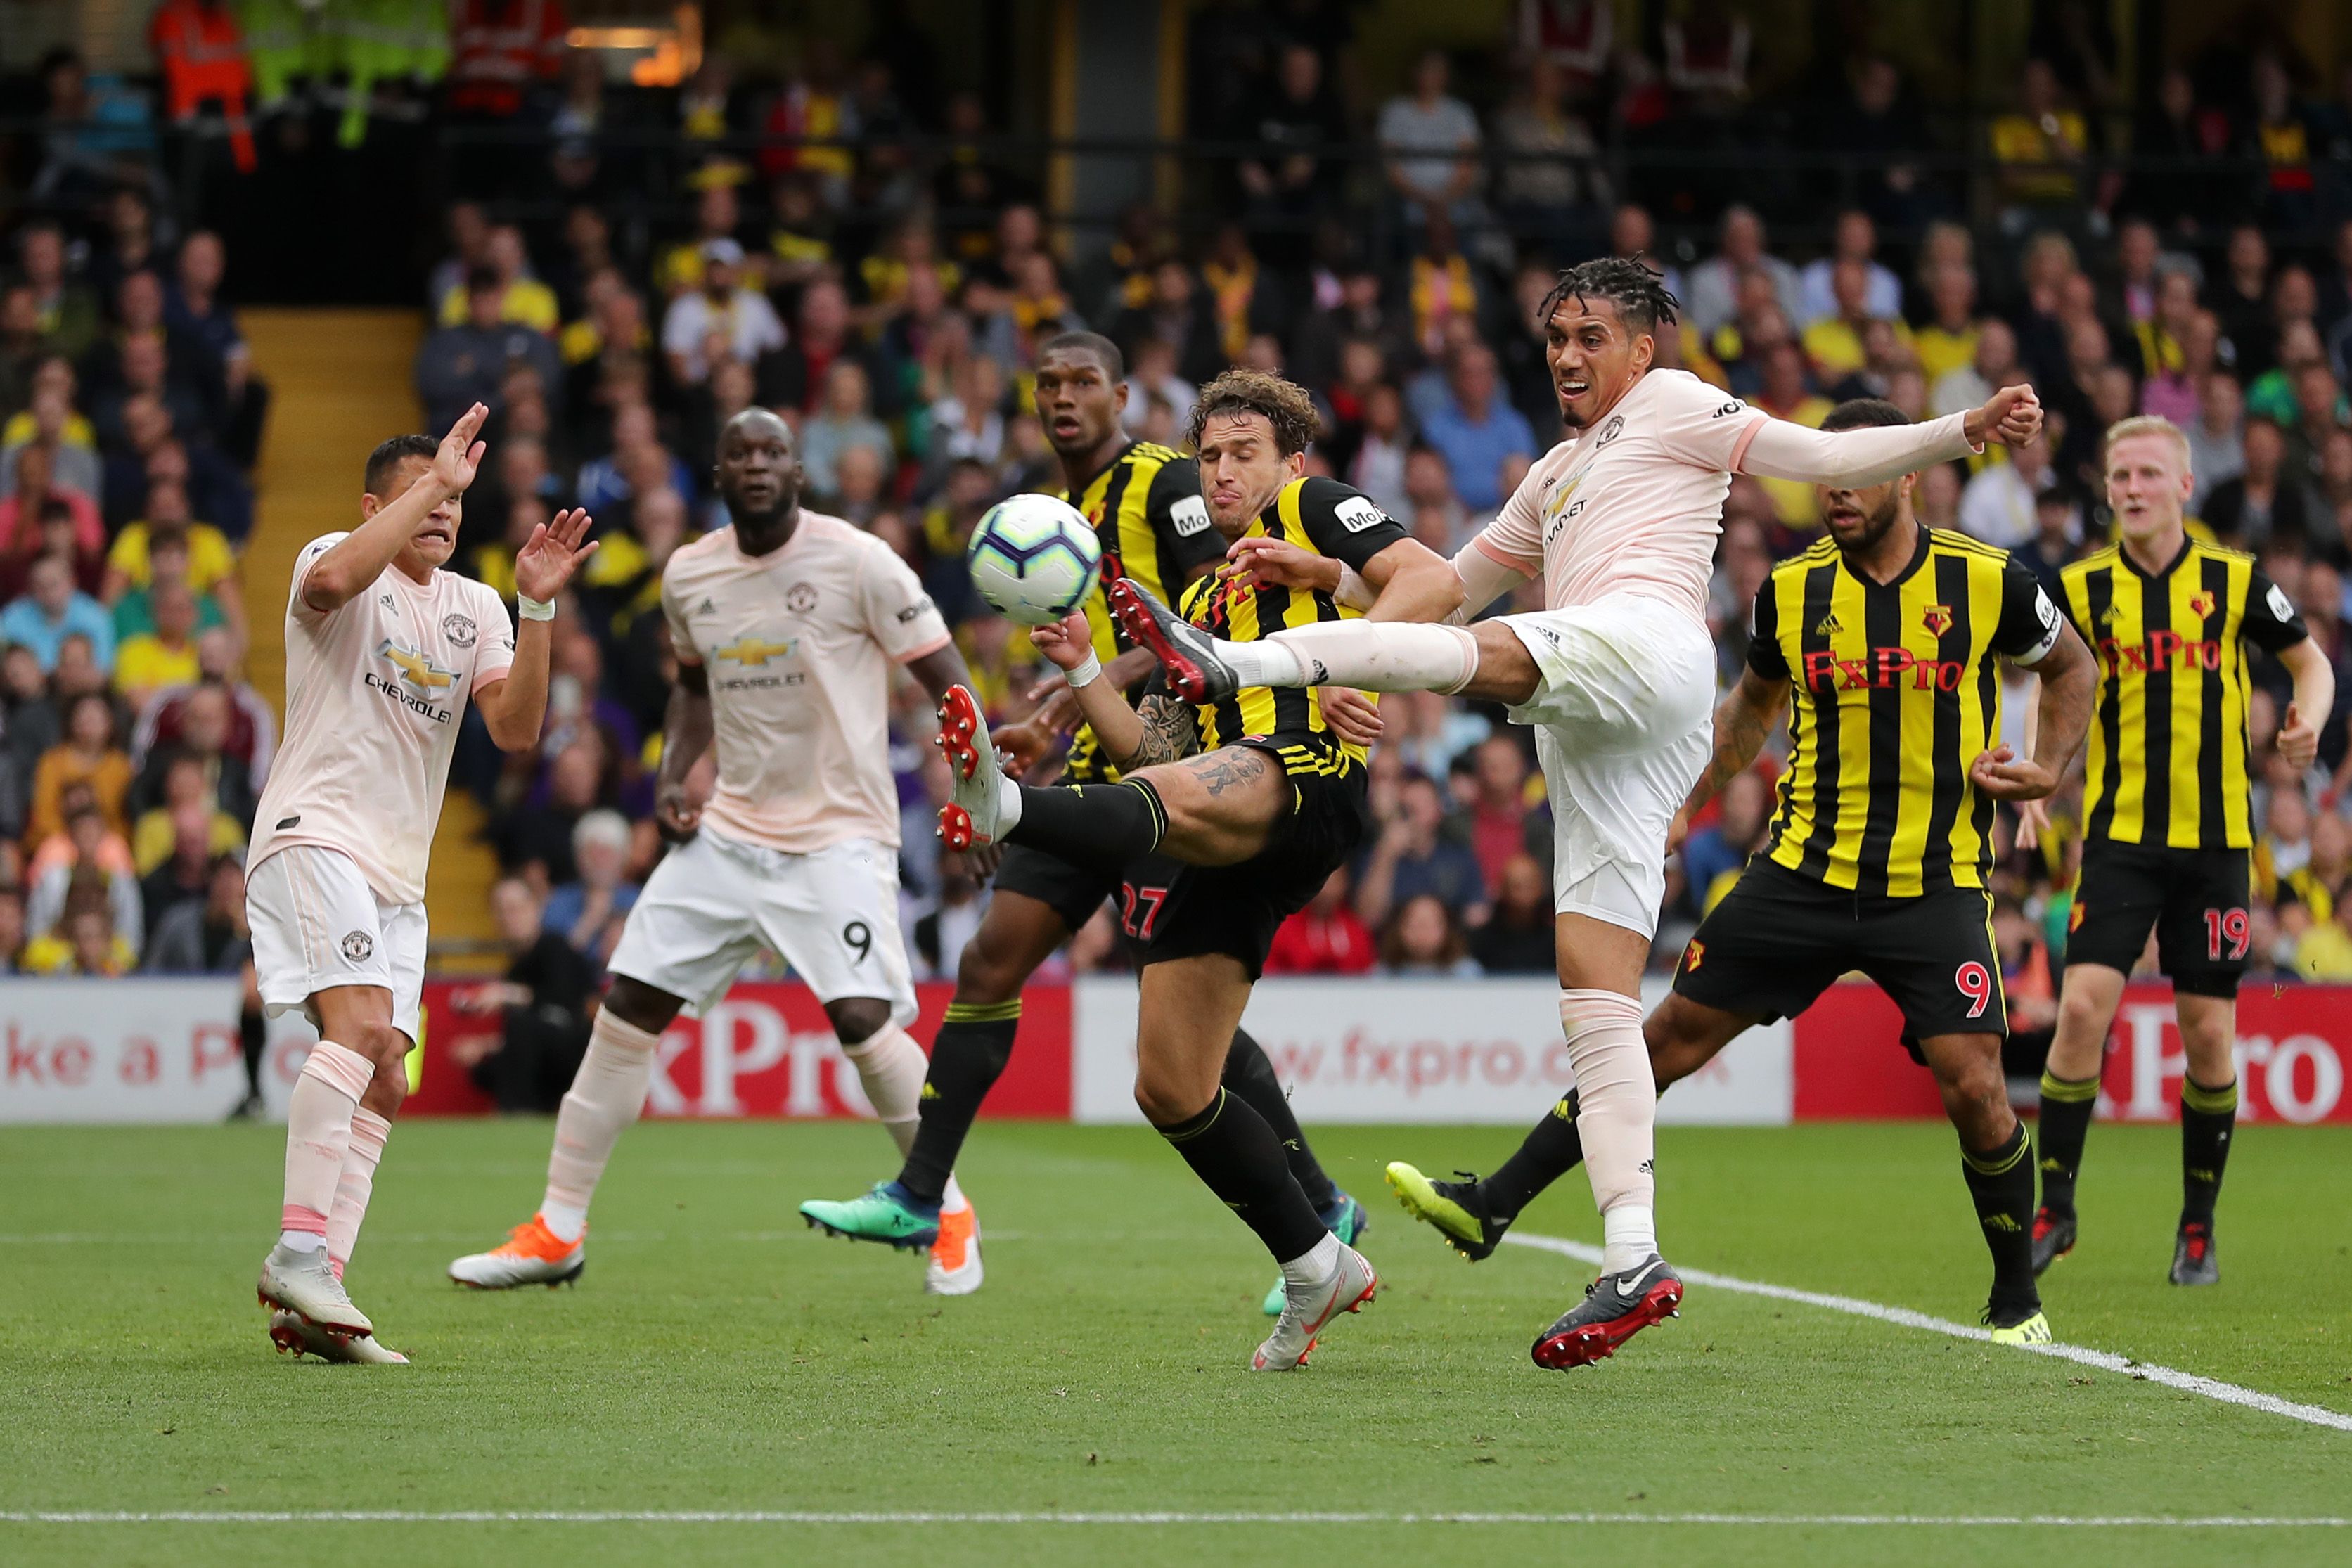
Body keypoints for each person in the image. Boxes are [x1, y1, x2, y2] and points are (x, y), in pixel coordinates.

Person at [1117, 257, 2051, 1368]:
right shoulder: (1552, 473)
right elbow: (1443, 588)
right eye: (1555, 335)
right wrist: (1325, 571)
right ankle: (1631, 1255)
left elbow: (1827, 456)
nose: (1566, 353)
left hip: (1642, 653)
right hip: (1605, 734)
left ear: (1643, 347)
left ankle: (1225, 663)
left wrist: (1964, 426)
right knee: (1598, 1003)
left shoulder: (1675, 404)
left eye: (1589, 335)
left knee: (1478, 662)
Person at [1387, 397, 2093, 1352]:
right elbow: (1748, 712)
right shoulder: (1790, 592)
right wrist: (1687, 799)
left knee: (1973, 1087)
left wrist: (2049, 765)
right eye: (1823, 475)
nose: (1832, 491)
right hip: (1797, 875)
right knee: (1661, 1038)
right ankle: (1494, 1204)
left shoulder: (1988, 581)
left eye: (1854, 473)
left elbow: (2072, 666)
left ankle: (2015, 1298)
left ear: (1905, 474)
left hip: (1931, 882)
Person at [800, 335, 1379, 1318]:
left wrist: (1360, 652)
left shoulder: (1202, 496)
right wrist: (1071, 678)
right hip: (1130, 776)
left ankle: (1318, 1207)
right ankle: (921, 1190)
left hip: (1261, 777)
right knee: (1115, 1030)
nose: (1224, 471)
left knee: (1179, 994)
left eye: (1083, 383)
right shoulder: (1113, 548)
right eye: (1050, 384)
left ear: (1119, 394)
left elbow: (1398, 590)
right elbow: (1163, 707)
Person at [911, 368, 1459, 1370]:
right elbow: (1152, 762)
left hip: (1299, 781)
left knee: (1204, 787)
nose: (1221, 472)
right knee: (1170, 1084)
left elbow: (1438, 583)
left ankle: (1010, 807)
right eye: (1208, 455)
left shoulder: (1312, 507)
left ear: (1288, 459)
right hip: (1218, 808)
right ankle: (1313, 1264)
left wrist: (1337, 628)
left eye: (1242, 451)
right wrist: (1082, 667)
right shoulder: (1205, 592)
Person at [449, 409, 984, 1297]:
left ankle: (948, 1208)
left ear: (796, 471)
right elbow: (695, 689)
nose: (759, 463)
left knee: (862, 1019)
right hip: (730, 831)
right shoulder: (691, 573)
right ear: (721, 470)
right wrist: (673, 774)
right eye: (741, 452)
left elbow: (948, 677)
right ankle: (558, 1229)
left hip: (839, 834)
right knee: (625, 1008)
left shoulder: (858, 560)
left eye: (776, 449)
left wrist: (978, 796)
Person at [248, 404, 598, 1364]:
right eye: (425, 493)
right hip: (312, 832)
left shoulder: (474, 607)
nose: (446, 509)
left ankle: (318, 1298)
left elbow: (517, 731)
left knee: (388, 1076)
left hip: (399, 876)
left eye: (455, 496)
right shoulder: (333, 557)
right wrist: (435, 481)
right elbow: (333, 577)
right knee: (357, 1029)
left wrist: (536, 608)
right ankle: (297, 1249)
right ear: (376, 505)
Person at [2028, 416, 2335, 1287]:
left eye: (2149, 473)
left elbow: (2310, 664)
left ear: (2185, 487)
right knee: (2083, 1007)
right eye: (2120, 474)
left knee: (2207, 1033)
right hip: (2121, 835)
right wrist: (2037, 777)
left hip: (2216, 845)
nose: (2131, 487)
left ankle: (2196, 1227)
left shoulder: (2234, 580)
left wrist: (2307, 715)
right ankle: (2057, 1208)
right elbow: (2041, 678)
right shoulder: (2081, 589)